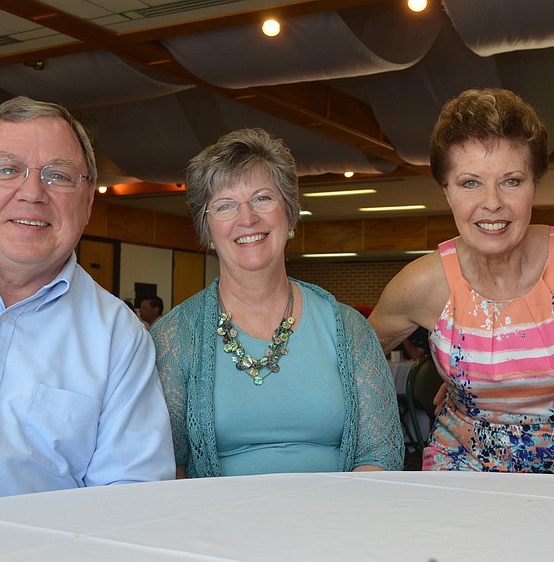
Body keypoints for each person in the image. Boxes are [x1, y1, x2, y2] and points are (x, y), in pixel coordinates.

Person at [0, 96, 175, 512]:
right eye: (7, 169)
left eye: (57, 176)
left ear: (88, 201)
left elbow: (130, 499)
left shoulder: (118, 337)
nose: (31, 193)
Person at [369, 88, 554, 472]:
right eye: (470, 183)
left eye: (511, 181)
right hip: (463, 468)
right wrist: (376, 448)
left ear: (534, 184)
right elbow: (351, 363)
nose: (492, 202)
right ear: (446, 191)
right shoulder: (422, 283)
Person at [151, 128, 404, 478]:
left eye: (262, 198)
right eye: (225, 205)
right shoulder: (174, 336)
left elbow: (380, 451)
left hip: (337, 509)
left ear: (290, 213)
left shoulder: (349, 329)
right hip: (217, 513)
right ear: (206, 229)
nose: (247, 218)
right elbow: (166, 466)